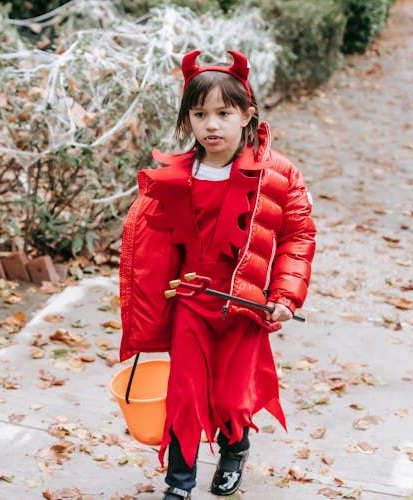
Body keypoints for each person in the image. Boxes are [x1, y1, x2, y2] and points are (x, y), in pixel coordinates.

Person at [118, 49, 316, 499]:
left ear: (247, 114)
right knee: (185, 393)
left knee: (230, 396)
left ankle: (234, 450)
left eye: (224, 113)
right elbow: (148, 246)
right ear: (187, 118)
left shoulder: (278, 175)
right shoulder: (176, 177)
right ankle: (179, 482)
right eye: (200, 113)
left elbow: (298, 235)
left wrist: (284, 295)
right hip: (191, 298)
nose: (212, 124)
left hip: (244, 304)